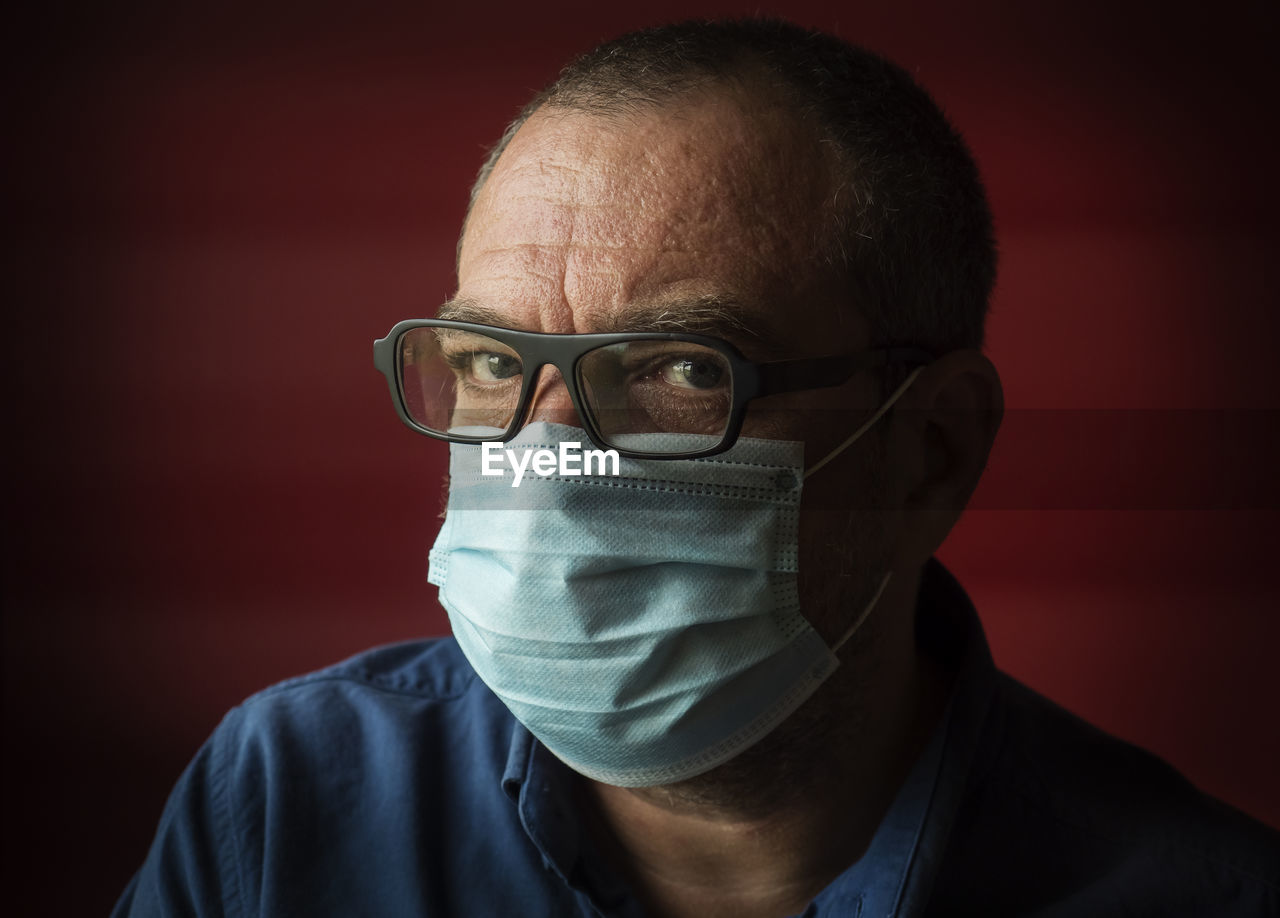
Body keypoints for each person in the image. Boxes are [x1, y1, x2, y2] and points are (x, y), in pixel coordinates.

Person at [114, 18, 1279, 917]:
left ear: (929, 451)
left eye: (676, 370)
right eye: (486, 360)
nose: (543, 453)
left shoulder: (1200, 895)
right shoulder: (284, 808)